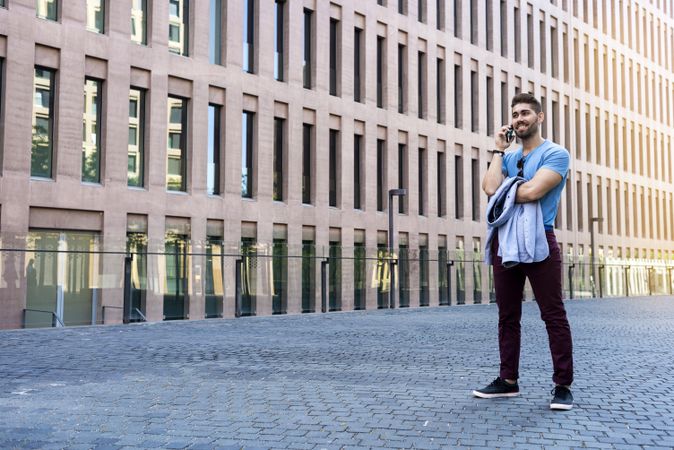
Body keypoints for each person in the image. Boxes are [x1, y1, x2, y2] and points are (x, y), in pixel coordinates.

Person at [475, 93, 574, 410]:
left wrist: (505, 191)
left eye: (526, 113)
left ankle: (562, 386)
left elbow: (532, 192)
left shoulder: (556, 154)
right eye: (515, 114)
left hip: (540, 238)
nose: (519, 119)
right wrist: (497, 150)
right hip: (506, 239)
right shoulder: (506, 157)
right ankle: (508, 381)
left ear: (540, 117)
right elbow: (490, 187)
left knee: (553, 315)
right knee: (507, 316)